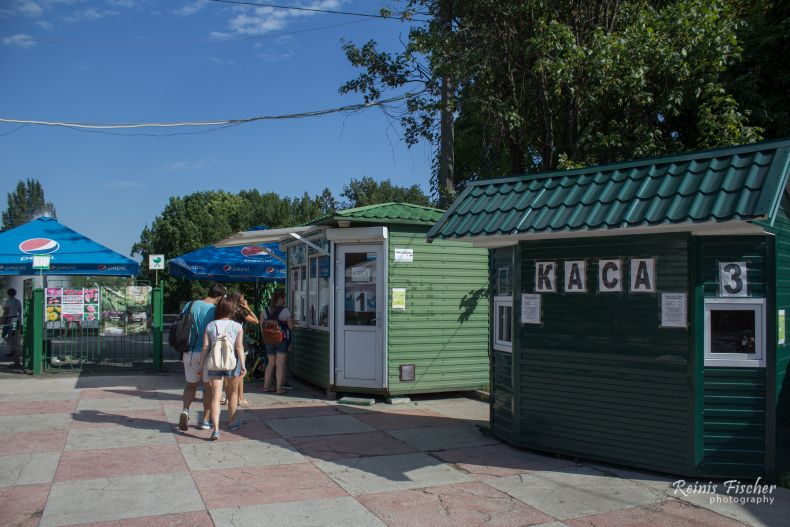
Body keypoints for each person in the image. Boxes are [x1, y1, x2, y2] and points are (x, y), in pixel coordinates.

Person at [178, 283, 226, 432]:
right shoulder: (215, 310)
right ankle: (205, 420)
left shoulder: (190, 305)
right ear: (219, 297)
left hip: (189, 351)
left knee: (190, 384)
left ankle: (185, 409)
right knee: (208, 388)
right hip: (208, 353)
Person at [198, 295, 246, 440]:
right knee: (232, 394)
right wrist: (243, 365)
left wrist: (201, 366)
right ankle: (231, 422)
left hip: (214, 362)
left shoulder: (211, 325)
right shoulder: (237, 326)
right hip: (233, 363)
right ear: (232, 310)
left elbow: (205, 347)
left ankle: (216, 429)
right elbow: (239, 347)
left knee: (215, 395)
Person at [229, 292, 258, 407]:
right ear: (238, 299)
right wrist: (248, 308)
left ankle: (229, 396)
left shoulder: (226, 311)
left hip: (228, 343)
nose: (244, 299)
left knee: (229, 372)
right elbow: (256, 321)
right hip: (240, 343)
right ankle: (240, 398)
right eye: (242, 298)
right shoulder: (240, 312)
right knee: (241, 372)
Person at [262, 291, 293, 394]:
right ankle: (279, 388)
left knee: (270, 364)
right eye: (283, 298)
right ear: (281, 298)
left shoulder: (265, 310)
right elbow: (291, 326)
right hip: (281, 340)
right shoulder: (285, 311)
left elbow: (261, 325)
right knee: (280, 363)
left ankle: (266, 386)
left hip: (268, 340)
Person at [3, 289, 22, 367]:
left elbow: (6, 311)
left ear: (8, 294)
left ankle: (12, 350)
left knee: (6, 335)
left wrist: (2, 320)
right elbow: (20, 311)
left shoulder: (8, 301)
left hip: (9, 320)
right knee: (13, 335)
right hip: (15, 320)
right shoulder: (18, 301)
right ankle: (13, 350)